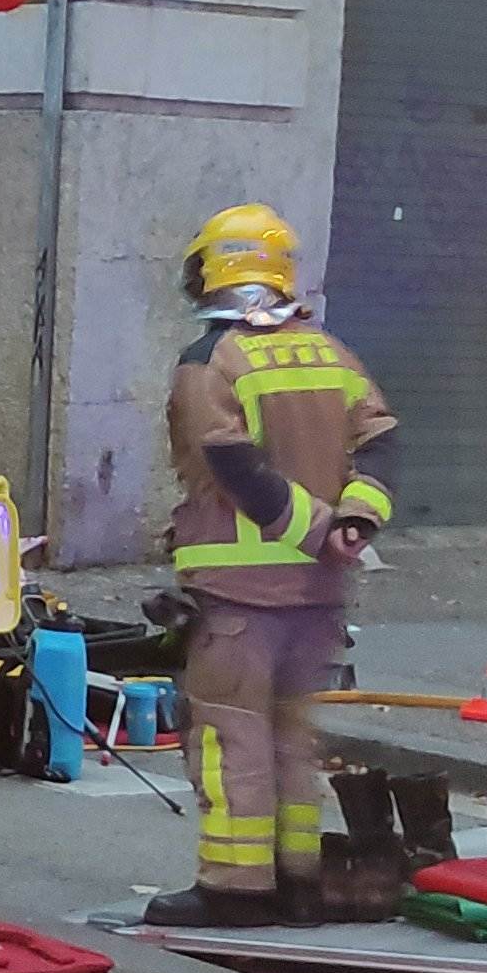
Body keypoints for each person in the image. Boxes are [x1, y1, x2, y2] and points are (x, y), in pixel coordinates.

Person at [145, 203, 402, 930]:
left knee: (231, 739)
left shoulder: (210, 362)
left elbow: (233, 466)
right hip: (317, 598)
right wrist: (353, 521)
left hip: (237, 595)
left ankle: (233, 885)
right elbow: (380, 441)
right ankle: (298, 882)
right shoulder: (330, 350)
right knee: (292, 739)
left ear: (217, 267)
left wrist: (315, 529)